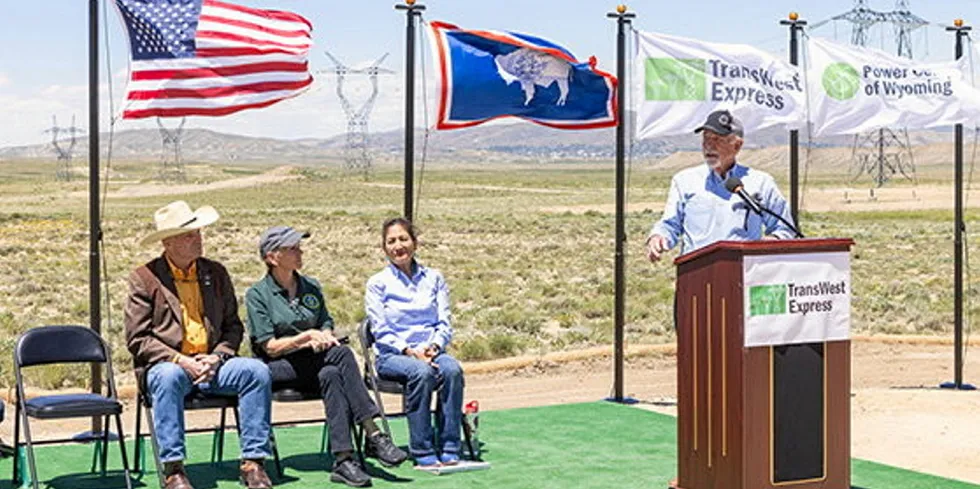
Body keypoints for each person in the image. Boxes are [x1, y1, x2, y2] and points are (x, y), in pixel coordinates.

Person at [124, 201, 274, 489]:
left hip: (212, 364)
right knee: (168, 378)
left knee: (256, 371)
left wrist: (217, 356)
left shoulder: (215, 273)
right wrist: (182, 361)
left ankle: (253, 462)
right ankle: (174, 470)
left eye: (198, 232)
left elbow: (233, 326)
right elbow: (137, 339)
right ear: (167, 243)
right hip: (170, 366)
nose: (198, 239)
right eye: (189, 235)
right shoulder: (144, 279)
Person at [245, 225, 408, 488]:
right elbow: (269, 347)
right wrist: (305, 337)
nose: (300, 252)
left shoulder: (311, 286)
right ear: (272, 257)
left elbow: (325, 321)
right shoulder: (257, 295)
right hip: (279, 367)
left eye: (299, 246)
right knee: (342, 355)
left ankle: (343, 460)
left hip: (318, 361)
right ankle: (374, 434)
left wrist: (324, 334)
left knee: (332, 373)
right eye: (292, 248)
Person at [364, 217, 464, 468]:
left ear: (415, 243)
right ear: (384, 248)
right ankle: (422, 448)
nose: (398, 246)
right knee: (421, 372)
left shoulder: (434, 278)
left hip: (431, 350)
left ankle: (451, 445)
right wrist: (409, 351)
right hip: (393, 356)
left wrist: (435, 346)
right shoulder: (377, 283)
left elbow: (444, 320)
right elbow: (380, 329)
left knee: (452, 370)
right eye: (391, 241)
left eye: (403, 239)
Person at [646, 109, 798, 262]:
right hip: (695, 272)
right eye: (706, 139)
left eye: (717, 139)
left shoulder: (761, 183)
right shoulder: (684, 181)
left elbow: (784, 229)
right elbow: (670, 224)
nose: (709, 146)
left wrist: (768, 244)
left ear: (737, 146)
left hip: (745, 273)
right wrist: (658, 236)